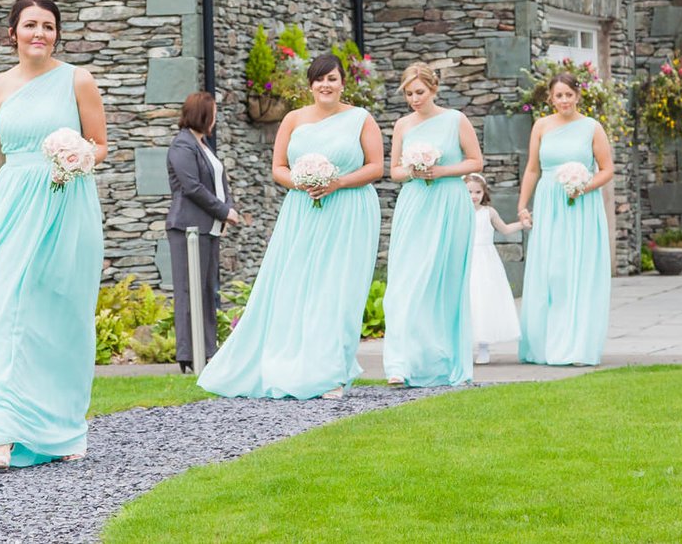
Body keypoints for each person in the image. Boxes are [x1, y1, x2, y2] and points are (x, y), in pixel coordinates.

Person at [0, 0, 107, 471]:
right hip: (11, 208)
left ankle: (57, 427)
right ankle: (0, 434)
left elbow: (100, 144)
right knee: (0, 314)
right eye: (30, 25)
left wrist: (77, 156)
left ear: (57, 33)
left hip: (65, 205)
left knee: (55, 316)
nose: (40, 33)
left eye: (49, 26)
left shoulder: (77, 80)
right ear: (13, 32)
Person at [197, 54, 383, 400]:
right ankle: (293, 364)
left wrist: (336, 183)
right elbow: (278, 167)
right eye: (318, 79)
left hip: (349, 210)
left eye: (332, 79)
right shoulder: (294, 119)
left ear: (343, 83)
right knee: (296, 285)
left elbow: (375, 167)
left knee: (338, 289)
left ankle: (331, 373)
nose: (325, 85)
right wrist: (302, 181)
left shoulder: (360, 118)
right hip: (302, 210)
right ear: (310, 85)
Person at [382, 63, 483, 387]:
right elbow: (394, 171)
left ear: (434, 89)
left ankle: (443, 360)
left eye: (419, 92)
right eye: (409, 93)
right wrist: (414, 169)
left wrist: (440, 171)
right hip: (415, 205)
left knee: (445, 281)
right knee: (406, 282)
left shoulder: (456, 120)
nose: (414, 99)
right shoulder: (402, 125)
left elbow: (475, 162)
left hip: (450, 203)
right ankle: (400, 363)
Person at [517, 71, 616, 367]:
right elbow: (533, 169)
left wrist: (583, 186)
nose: (564, 100)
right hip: (549, 204)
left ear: (578, 95)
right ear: (551, 97)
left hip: (581, 206)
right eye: (558, 95)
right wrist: (523, 204)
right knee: (551, 272)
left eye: (568, 95)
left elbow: (607, 169)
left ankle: (577, 346)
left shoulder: (592, 127)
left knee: (577, 272)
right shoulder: (541, 126)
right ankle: (545, 345)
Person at [165, 91, 247, 371]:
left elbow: (219, 183)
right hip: (187, 228)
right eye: (212, 112)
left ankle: (209, 350)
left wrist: (228, 209)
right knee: (189, 291)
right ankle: (189, 355)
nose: (215, 118)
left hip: (209, 229)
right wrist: (224, 211)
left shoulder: (204, 146)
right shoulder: (182, 146)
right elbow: (192, 187)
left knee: (209, 291)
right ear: (202, 113)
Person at [466, 173, 526, 365]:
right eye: (469, 192)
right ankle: (463, 344)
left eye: (478, 192)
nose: (474, 196)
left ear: (484, 193)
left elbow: (506, 229)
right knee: (468, 300)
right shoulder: (460, 211)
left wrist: (522, 224)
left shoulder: (489, 212)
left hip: (485, 260)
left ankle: (484, 347)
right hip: (467, 259)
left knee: (484, 300)